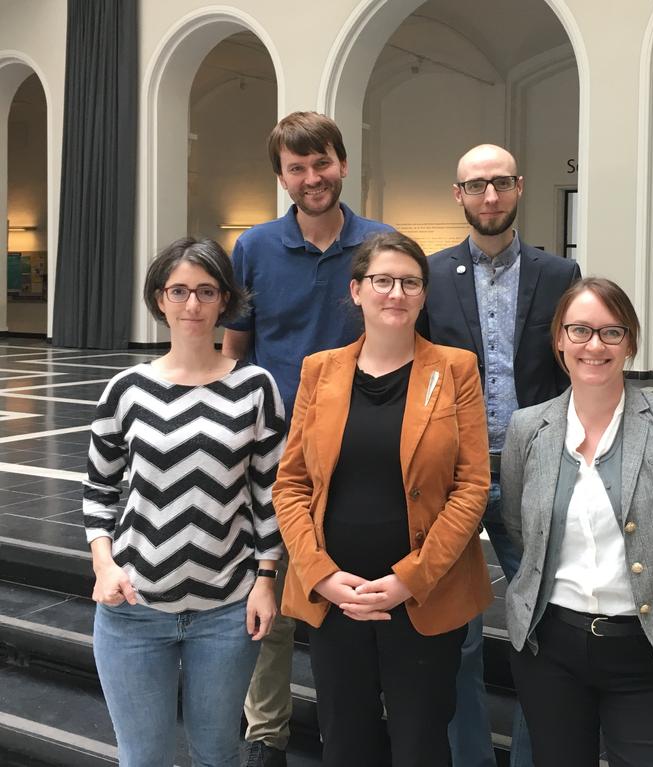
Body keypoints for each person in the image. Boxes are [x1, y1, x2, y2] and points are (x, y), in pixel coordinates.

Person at [273, 231, 493, 767]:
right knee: (346, 743)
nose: (396, 293)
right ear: (357, 291)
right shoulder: (319, 370)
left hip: (423, 595)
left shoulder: (455, 368)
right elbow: (291, 483)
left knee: (421, 744)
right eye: (383, 281)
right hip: (336, 597)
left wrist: (407, 580)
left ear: (423, 294)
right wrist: (319, 573)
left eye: (410, 283)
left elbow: (471, 486)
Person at [222, 111, 392, 767]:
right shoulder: (254, 248)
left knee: (360, 596)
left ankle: (359, 720)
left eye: (321, 163)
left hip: (363, 452)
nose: (311, 177)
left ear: (342, 165)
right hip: (277, 454)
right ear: (282, 176)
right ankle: (266, 731)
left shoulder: (380, 243)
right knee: (271, 596)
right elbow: (237, 349)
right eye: (297, 167)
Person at [501, 277, 653, 766]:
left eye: (611, 332)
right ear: (559, 339)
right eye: (579, 330)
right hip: (550, 647)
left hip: (641, 647)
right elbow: (520, 527)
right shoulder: (528, 428)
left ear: (631, 342)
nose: (594, 345)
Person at [83, 237, 286, 767]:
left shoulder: (256, 388)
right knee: (143, 757)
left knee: (218, 752)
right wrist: (103, 565)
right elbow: (99, 490)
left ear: (225, 301)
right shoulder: (125, 390)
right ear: (158, 300)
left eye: (205, 291)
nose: (192, 305)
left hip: (226, 609)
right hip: (133, 607)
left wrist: (266, 580)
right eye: (179, 291)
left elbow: (269, 494)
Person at [417, 143, 580, 766]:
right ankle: (469, 759)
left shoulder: (559, 275)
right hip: (454, 476)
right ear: (458, 194)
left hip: (532, 470)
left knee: (541, 625)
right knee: (451, 634)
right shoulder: (430, 275)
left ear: (519, 187)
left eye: (501, 184)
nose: (489, 196)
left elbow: (570, 371)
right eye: (476, 186)